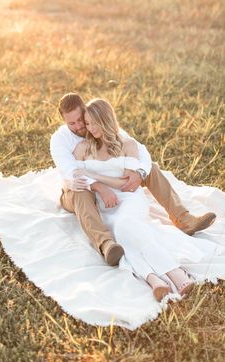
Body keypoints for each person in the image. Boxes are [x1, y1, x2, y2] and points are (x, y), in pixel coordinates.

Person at [50, 93, 216, 267]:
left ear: (85, 111)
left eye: (80, 120)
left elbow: (139, 150)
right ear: (63, 121)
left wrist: (139, 173)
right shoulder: (60, 140)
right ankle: (105, 244)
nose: (79, 127)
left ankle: (183, 219)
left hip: (107, 179)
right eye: (71, 123)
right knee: (81, 191)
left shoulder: (101, 123)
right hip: (74, 189)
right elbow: (72, 173)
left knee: (151, 168)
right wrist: (99, 186)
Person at [71, 98, 202, 301]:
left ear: (106, 119)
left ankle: (168, 274)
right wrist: (96, 185)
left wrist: (97, 177)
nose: (90, 128)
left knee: (124, 225)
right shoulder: (82, 149)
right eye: (87, 123)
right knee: (121, 236)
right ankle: (158, 279)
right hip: (106, 207)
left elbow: (125, 182)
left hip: (130, 199)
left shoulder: (128, 145)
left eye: (94, 122)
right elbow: (74, 177)